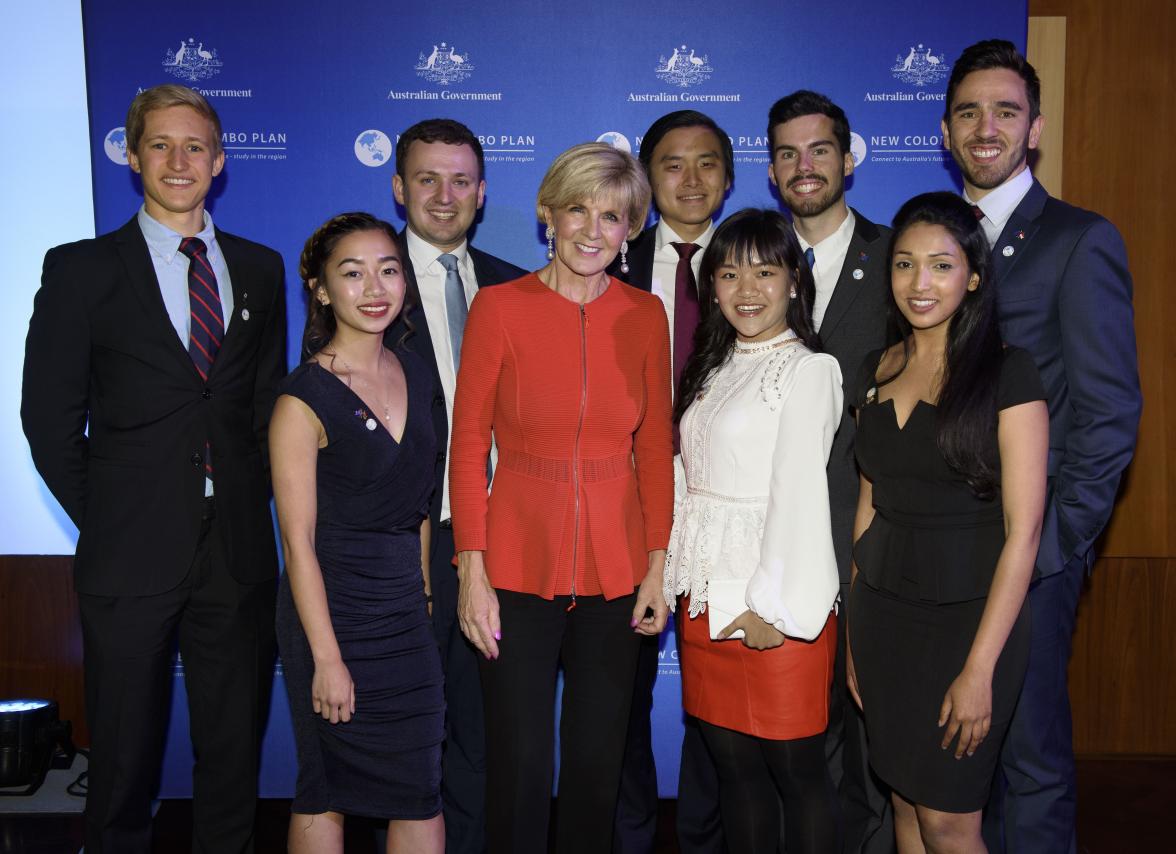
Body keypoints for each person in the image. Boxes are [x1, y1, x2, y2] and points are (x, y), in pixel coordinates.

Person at [20, 84, 286, 853]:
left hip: (236, 555)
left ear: (220, 160)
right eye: (161, 145)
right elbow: (48, 420)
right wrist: (108, 517)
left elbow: (266, 407)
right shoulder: (80, 269)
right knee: (125, 761)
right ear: (132, 156)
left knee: (233, 755)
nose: (179, 161)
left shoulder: (260, 270)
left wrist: (238, 497)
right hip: (128, 551)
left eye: (195, 146)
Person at [940, 40, 1141, 853]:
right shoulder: (933, 237)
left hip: (1032, 554)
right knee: (946, 757)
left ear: (1036, 129)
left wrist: (1056, 546)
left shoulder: (1078, 240)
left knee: (1029, 762)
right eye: (968, 112)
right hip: (939, 548)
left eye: (1006, 111)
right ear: (946, 128)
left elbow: (1107, 413)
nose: (986, 127)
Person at [449, 142, 673, 854]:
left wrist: (659, 564)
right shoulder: (499, 307)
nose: (591, 230)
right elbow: (466, 444)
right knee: (516, 762)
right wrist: (471, 567)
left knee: (597, 759)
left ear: (631, 228)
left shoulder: (646, 315)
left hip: (617, 569)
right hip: (515, 564)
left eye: (611, 216)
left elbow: (655, 450)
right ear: (547, 215)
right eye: (577, 209)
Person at [847, 192, 1049, 853]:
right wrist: (853, 638)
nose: (920, 283)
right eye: (905, 265)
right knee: (905, 803)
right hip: (883, 619)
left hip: (969, 622)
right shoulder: (877, 371)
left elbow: (1023, 532)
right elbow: (867, 508)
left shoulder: (1007, 373)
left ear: (975, 276)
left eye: (940, 265)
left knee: (950, 820)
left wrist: (980, 670)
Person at [664, 207, 843, 854]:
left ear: (794, 280)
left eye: (765, 272)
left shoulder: (808, 370)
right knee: (735, 775)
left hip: (776, 607)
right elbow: (690, 480)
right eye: (730, 272)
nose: (747, 289)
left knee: (798, 777)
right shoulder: (711, 365)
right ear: (709, 284)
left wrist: (774, 611)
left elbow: (800, 497)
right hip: (705, 598)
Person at [269, 213, 445, 853]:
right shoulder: (302, 398)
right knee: (327, 787)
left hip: (404, 613)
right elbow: (299, 544)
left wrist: (422, 597)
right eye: (352, 272)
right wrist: (327, 659)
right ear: (320, 289)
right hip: (332, 613)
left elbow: (420, 504)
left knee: (420, 784)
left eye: (388, 269)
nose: (375, 286)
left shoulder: (416, 373)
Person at [387, 118, 526, 854]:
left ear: (481, 190)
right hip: (404, 544)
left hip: (502, 542)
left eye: (462, 180)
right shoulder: (366, 284)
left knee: (484, 733)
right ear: (398, 186)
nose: (445, 196)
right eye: (428, 179)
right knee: (408, 734)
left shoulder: (514, 284)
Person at [767, 89, 894, 854]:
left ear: (848, 159)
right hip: (773, 535)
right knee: (793, 736)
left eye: (818, 150)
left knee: (873, 729)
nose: (803, 165)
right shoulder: (751, 262)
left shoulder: (897, 254)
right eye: (786, 153)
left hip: (871, 529)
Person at [608, 109, 733, 854]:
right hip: (629, 507)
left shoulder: (761, 261)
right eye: (672, 164)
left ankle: (705, 838)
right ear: (647, 180)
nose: (690, 179)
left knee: (716, 693)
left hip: (727, 510)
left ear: (728, 173)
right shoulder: (609, 261)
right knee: (620, 691)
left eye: (707, 162)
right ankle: (628, 837)